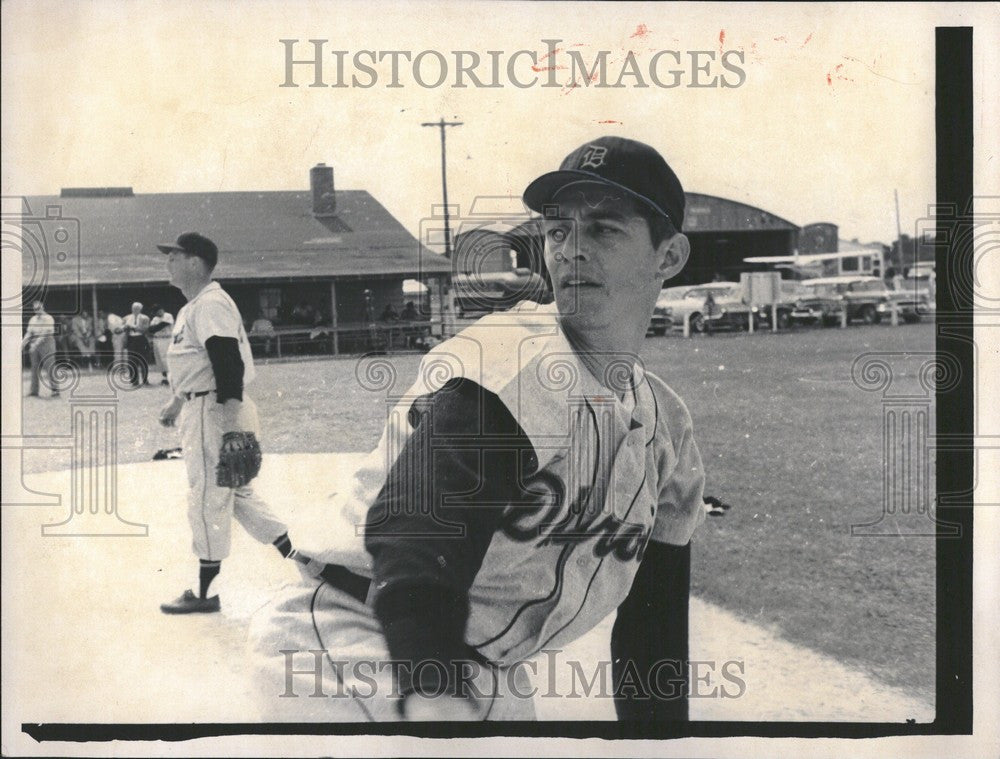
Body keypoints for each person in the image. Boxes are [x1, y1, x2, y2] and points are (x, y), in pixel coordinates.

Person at [249, 136, 716, 722]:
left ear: (668, 257)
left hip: (488, 672)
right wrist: (431, 683)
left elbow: (655, 624)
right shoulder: (519, 359)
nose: (571, 251)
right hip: (358, 637)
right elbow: (418, 521)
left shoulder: (666, 433)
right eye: (557, 231)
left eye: (603, 229)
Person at [155, 232, 306, 614]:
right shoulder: (197, 306)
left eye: (173, 255)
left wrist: (230, 422)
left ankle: (204, 593)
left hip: (214, 411)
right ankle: (302, 556)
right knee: (235, 493)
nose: (167, 262)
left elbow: (228, 363)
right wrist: (177, 399)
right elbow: (202, 362)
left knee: (207, 495)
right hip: (203, 406)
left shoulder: (209, 304)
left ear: (194, 261)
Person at [21, 300, 59, 398]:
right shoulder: (33, 319)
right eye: (35, 309)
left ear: (42, 307)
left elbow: (45, 333)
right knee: (34, 368)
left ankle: (55, 390)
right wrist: (22, 344)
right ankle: (34, 391)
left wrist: (35, 344)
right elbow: (29, 332)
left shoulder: (48, 318)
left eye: (38, 308)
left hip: (47, 343)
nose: (37, 311)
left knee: (49, 367)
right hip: (34, 343)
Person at [123, 302, 152, 387]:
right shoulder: (127, 318)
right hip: (131, 339)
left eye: (136, 308)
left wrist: (132, 327)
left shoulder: (145, 318)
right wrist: (125, 327)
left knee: (143, 360)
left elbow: (144, 329)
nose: (134, 310)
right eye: (133, 308)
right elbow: (122, 329)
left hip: (141, 339)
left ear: (140, 309)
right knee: (131, 361)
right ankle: (134, 381)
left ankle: (145, 380)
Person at [148, 305, 174, 385]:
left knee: (165, 358)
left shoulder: (168, 316)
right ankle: (165, 378)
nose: (157, 313)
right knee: (159, 359)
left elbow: (160, 326)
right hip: (157, 339)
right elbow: (151, 330)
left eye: (158, 311)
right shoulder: (155, 318)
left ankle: (171, 378)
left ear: (161, 310)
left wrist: (155, 327)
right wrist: (155, 327)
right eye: (155, 312)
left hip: (166, 339)